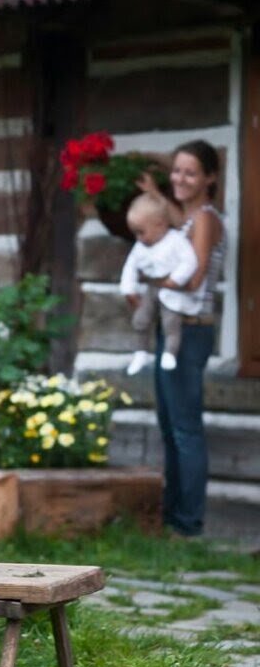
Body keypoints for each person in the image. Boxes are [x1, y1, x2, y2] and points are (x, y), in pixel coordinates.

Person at [137, 140, 226, 538]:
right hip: (174, 330)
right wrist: (156, 196)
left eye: (190, 172)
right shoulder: (188, 219)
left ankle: (188, 524)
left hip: (191, 331)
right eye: (177, 170)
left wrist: (151, 282)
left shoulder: (205, 218)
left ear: (210, 178)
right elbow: (177, 221)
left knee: (185, 427)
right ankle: (173, 519)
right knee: (171, 425)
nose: (181, 178)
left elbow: (194, 276)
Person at [119, 193, 199, 376]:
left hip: (172, 290)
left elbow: (190, 261)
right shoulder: (140, 247)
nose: (139, 238)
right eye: (135, 233)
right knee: (140, 319)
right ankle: (140, 352)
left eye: (141, 231)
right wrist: (128, 289)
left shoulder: (176, 241)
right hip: (151, 289)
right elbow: (130, 267)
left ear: (160, 224)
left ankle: (170, 353)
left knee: (171, 323)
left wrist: (175, 279)